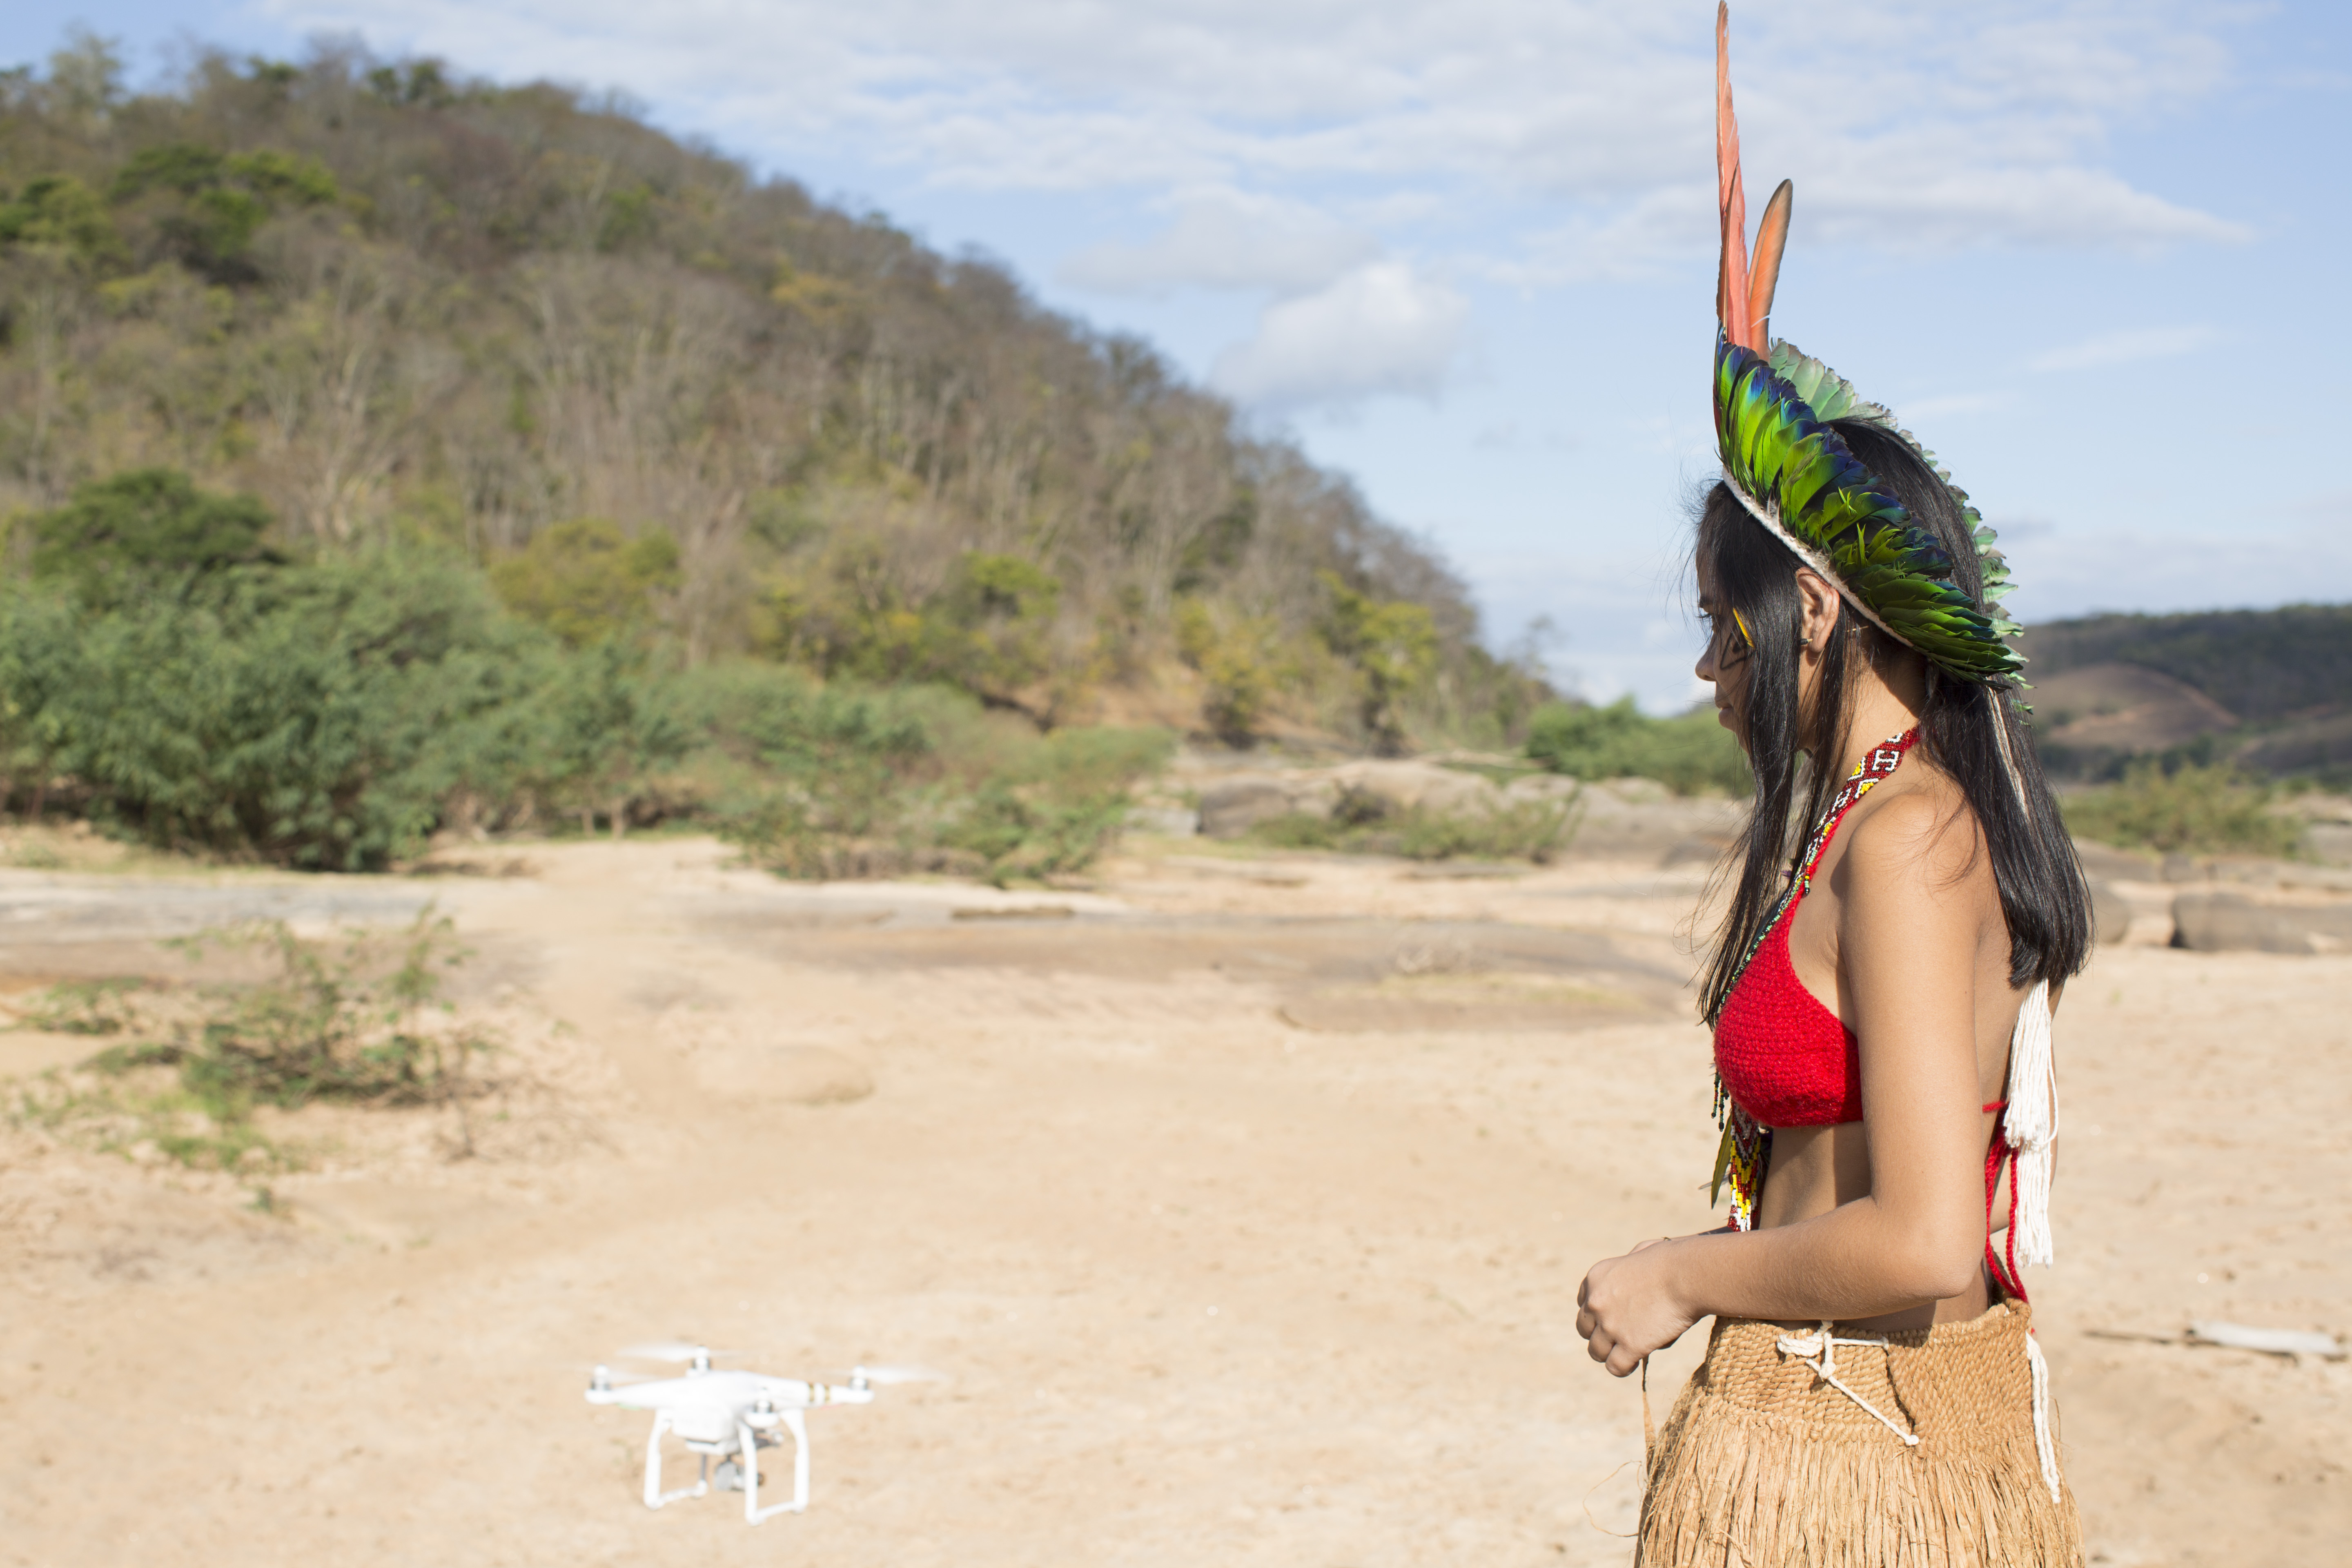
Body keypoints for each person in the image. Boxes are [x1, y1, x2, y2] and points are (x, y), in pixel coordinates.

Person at [1573, 9, 2094, 1564]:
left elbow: (1927, 1239)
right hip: (1816, 1429)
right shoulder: (1877, 823)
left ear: (1808, 607)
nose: (1709, 677)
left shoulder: (1915, 835)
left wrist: (1677, 1273)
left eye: (1718, 632)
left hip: (1867, 1459)